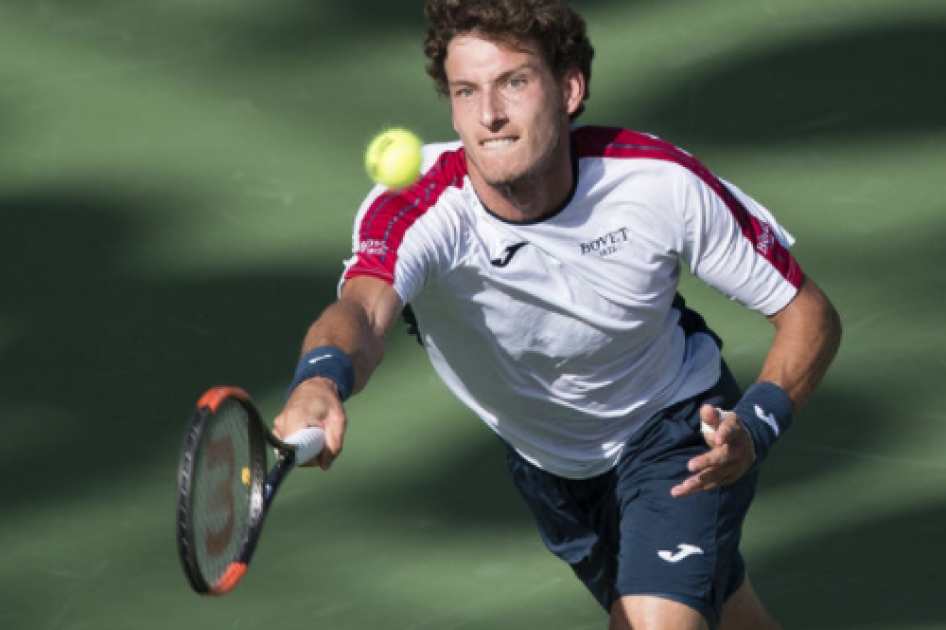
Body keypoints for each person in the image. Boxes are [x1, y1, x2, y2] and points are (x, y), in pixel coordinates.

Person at [274, 0, 842, 628]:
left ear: (569, 89)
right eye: (467, 92)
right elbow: (362, 311)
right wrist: (321, 377)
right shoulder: (419, 208)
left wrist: (757, 427)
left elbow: (807, 313)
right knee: (732, 615)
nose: (489, 115)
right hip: (551, 469)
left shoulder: (657, 184)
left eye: (512, 83)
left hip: (677, 427)